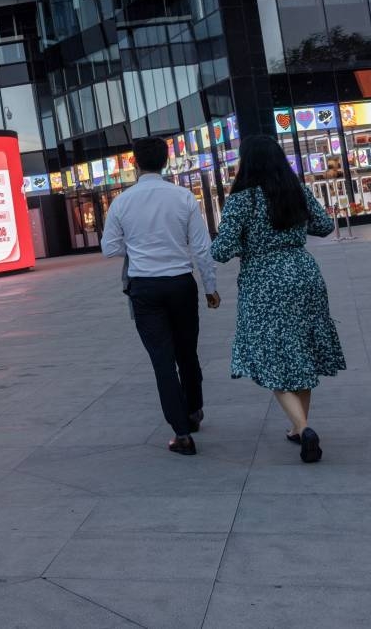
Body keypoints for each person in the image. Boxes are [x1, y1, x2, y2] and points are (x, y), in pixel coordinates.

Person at [211, 135, 345, 463]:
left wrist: (248, 243)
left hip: (264, 280)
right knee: (301, 349)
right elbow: (325, 226)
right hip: (303, 272)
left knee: (271, 356)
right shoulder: (295, 189)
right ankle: (299, 429)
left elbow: (221, 249)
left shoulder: (242, 199)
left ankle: (303, 426)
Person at [102, 137, 220, 456]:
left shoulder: (123, 202)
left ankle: (181, 433)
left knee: (162, 361)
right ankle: (194, 411)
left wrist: (139, 246)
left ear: (135, 163)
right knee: (187, 352)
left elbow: (109, 247)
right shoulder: (183, 197)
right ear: (166, 162)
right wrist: (210, 288)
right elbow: (201, 247)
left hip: (145, 288)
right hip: (181, 283)